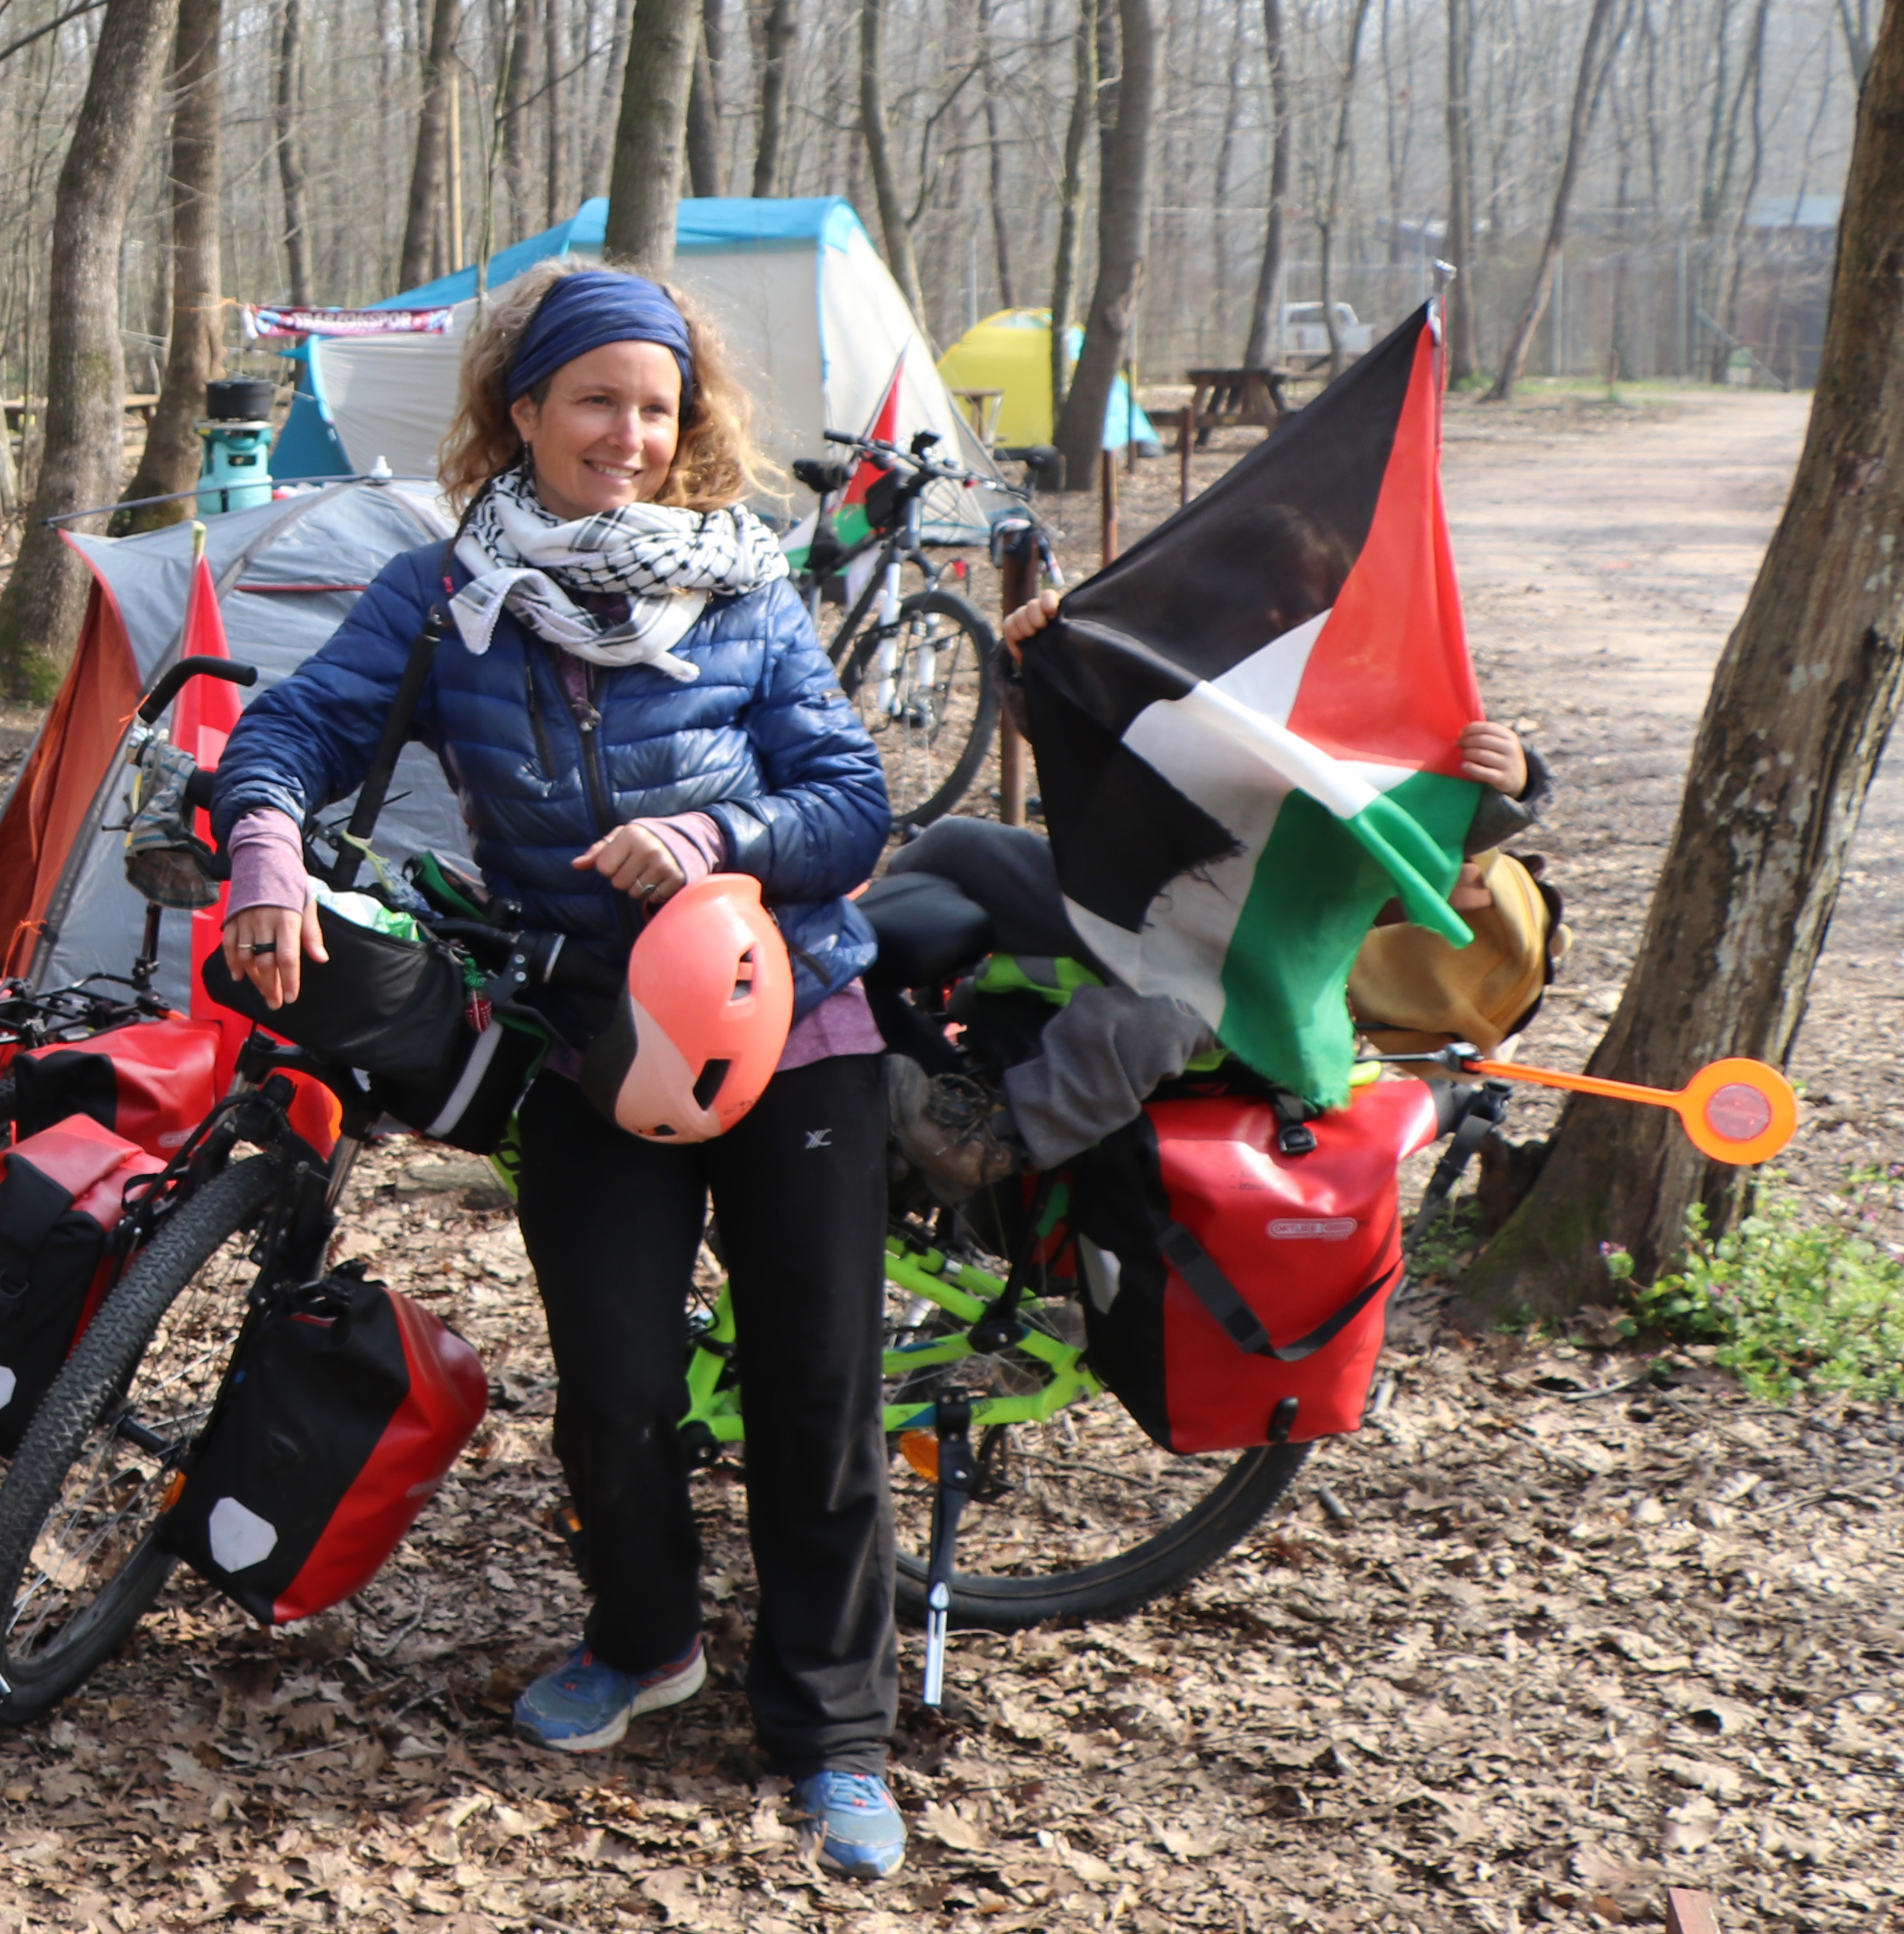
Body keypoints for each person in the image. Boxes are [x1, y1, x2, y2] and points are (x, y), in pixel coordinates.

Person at [208, 259, 910, 1881]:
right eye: (596, 400)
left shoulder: (742, 587)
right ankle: (645, 1640)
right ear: (521, 411)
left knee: (813, 1386)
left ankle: (834, 1728)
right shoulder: (444, 591)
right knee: (613, 1380)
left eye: (656, 408)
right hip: (595, 1040)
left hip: (794, 1023)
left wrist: (718, 833)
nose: (628, 435)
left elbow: (849, 801)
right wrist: (261, 841)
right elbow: (297, 727)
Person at [881, 592, 1550, 1196]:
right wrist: (1039, 661)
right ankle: (863, 1003)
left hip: (1252, 970)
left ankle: (993, 1139)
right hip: (1128, 899)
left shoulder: (1371, 722)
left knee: (1141, 1021)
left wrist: (1510, 789)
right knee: (958, 844)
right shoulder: (1209, 677)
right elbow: (1086, 739)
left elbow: (1435, 826)